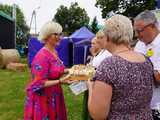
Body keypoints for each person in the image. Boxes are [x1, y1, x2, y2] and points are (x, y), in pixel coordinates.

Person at [88, 14, 154, 120]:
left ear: (108, 37)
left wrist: (90, 86)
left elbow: (98, 115)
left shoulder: (109, 65)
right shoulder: (146, 60)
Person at [24, 21, 68, 120]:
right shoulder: (42, 56)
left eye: (59, 34)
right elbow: (38, 82)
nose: (59, 37)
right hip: (44, 98)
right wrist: (60, 81)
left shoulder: (54, 52)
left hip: (55, 94)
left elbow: (56, 70)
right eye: (55, 34)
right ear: (47, 36)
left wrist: (70, 71)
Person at [134, 10, 160, 120]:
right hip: (141, 107)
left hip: (157, 107)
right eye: (135, 31)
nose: (137, 35)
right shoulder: (140, 44)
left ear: (153, 26)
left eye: (139, 31)